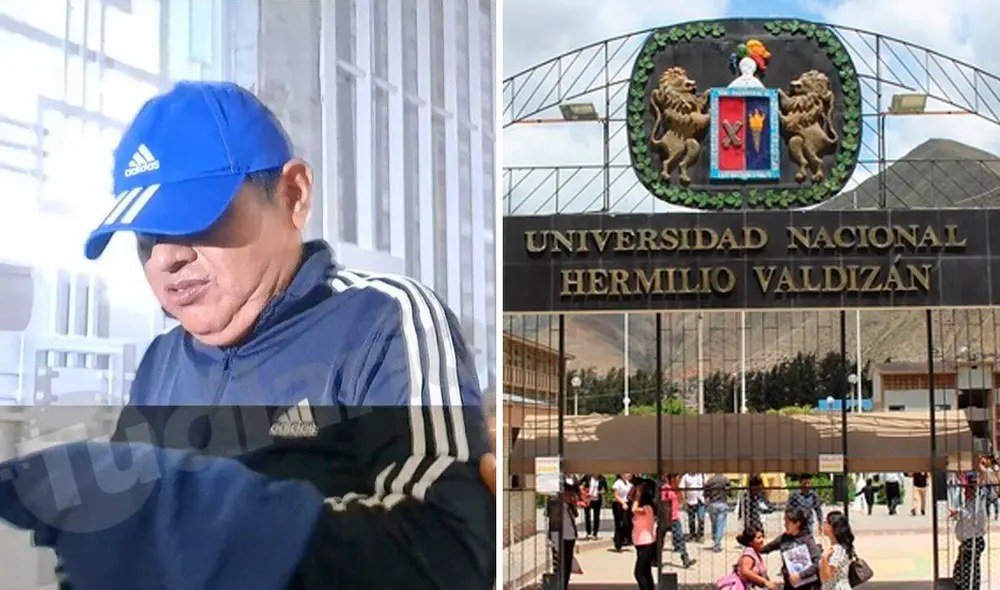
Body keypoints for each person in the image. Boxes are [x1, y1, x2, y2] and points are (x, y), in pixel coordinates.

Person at [0, 81, 496, 590]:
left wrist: (191, 517)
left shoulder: (381, 321)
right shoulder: (161, 362)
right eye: (146, 235)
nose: (166, 257)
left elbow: (449, 550)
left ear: (293, 195)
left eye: (194, 218)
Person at [761, 507, 822, 590]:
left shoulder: (807, 540)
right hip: (789, 584)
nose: (784, 525)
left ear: (797, 523)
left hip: (806, 585)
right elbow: (766, 548)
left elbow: (817, 563)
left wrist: (800, 575)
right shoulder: (784, 538)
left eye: (787, 522)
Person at [950, 471, 986, 588]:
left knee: (967, 571)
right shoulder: (969, 503)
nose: (965, 493)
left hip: (973, 541)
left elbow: (970, 516)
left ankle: (969, 587)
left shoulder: (976, 503)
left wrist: (958, 512)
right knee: (962, 570)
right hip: (968, 541)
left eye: (967, 490)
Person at [547, 479, 580, 590]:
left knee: (567, 563)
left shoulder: (569, 504)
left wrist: (572, 504)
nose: (571, 496)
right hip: (558, 535)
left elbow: (576, 515)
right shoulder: (555, 502)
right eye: (569, 493)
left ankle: (564, 584)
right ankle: (559, 584)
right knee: (559, 563)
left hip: (570, 535)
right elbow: (552, 517)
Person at [658, 474, 696, 569]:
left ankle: (685, 559)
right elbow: (663, 503)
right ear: (672, 479)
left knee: (680, 538)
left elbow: (679, 501)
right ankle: (656, 559)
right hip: (666, 519)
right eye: (678, 478)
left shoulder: (676, 489)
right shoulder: (665, 488)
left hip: (675, 518)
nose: (679, 480)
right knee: (660, 541)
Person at [630, 479, 658, 590]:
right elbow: (630, 499)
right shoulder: (643, 507)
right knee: (646, 572)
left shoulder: (647, 509)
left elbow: (633, 509)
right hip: (640, 544)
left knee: (639, 573)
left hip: (647, 544)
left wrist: (638, 494)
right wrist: (635, 490)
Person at [819, 511, 855, 590]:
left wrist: (824, 557)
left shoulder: (839, 550)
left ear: (834, 527)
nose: (824, 525)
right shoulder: (833, 548)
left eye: (827, 522)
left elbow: (825, 577)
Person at [704, 472, 732, 553]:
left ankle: (715, 539)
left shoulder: (710, 480)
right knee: (720, 525)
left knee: (714, 525)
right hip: (722, 503)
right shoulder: (725, 480)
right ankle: (717, 544)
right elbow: (729, 492)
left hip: (712, 504)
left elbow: (706, 492)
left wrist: (707, 497)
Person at [679, 472, 706, 541]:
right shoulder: (686, 476)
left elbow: (707, 486)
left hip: (701, 501)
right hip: (690, 501)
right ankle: (692, 534)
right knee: (691, 520)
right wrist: (683, 500)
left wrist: (707, 497)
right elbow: (682, 488)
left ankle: (700, 535)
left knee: (701, 518)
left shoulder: (702, 475)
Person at [611, 474, 634, 551]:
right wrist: (623, 503)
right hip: (619, 504)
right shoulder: (618, 483)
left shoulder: (628, 483)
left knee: (627, 523)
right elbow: (616, 495)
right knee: (620, 524)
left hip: (627, 503)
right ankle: (618, 543)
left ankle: (625, 539)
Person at [581, 474, 607, 539]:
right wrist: (583, 490)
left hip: (597, 499)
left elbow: (605, 489)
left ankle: (595, 533)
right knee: (587, 515)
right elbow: (580, 483)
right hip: (588, 499)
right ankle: (588, 532)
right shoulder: (587, 476)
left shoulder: (602, 478)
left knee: (596, 516)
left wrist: (600, 492)